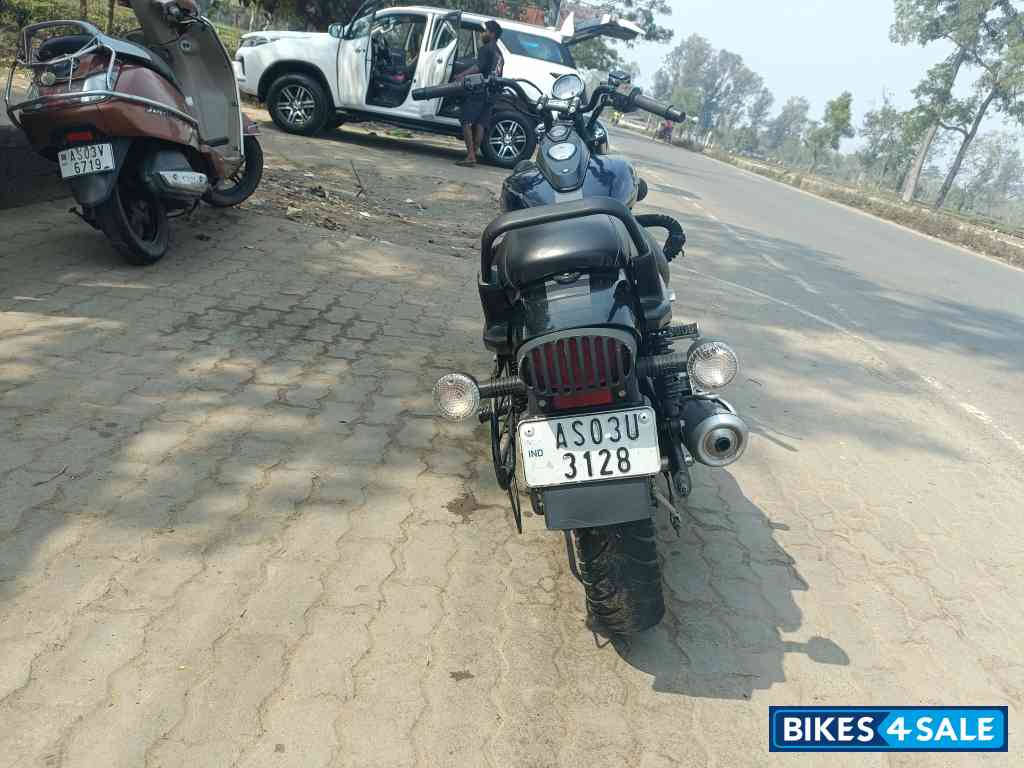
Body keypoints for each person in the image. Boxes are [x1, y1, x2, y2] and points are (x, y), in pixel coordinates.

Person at [454, 20, 504, 166]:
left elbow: (478, 67)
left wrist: (461, 75)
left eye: (485, 31)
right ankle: (473, 154)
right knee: (481, 124)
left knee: (466, 121)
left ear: (492, 34)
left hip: (481, 90)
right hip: (492, 92)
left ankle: (470, 156)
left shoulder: (486, 48)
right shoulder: (499, 52)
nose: (483, 34)